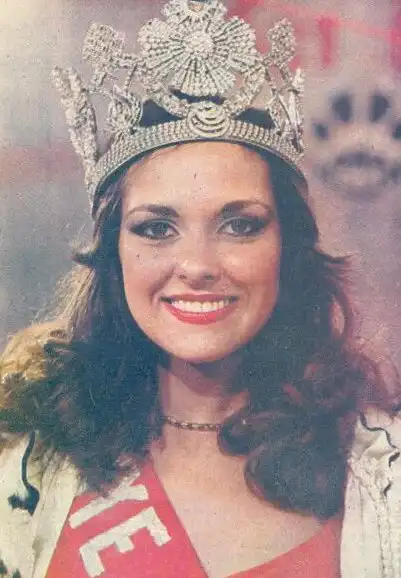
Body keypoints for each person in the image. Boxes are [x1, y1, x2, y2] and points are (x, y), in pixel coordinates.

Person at [0, 2, 400, 577]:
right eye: (156, 229)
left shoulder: (382, 473)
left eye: (239, 225)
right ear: (114, 254)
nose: (197, 265)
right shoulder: (27, 464)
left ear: (287, 248)